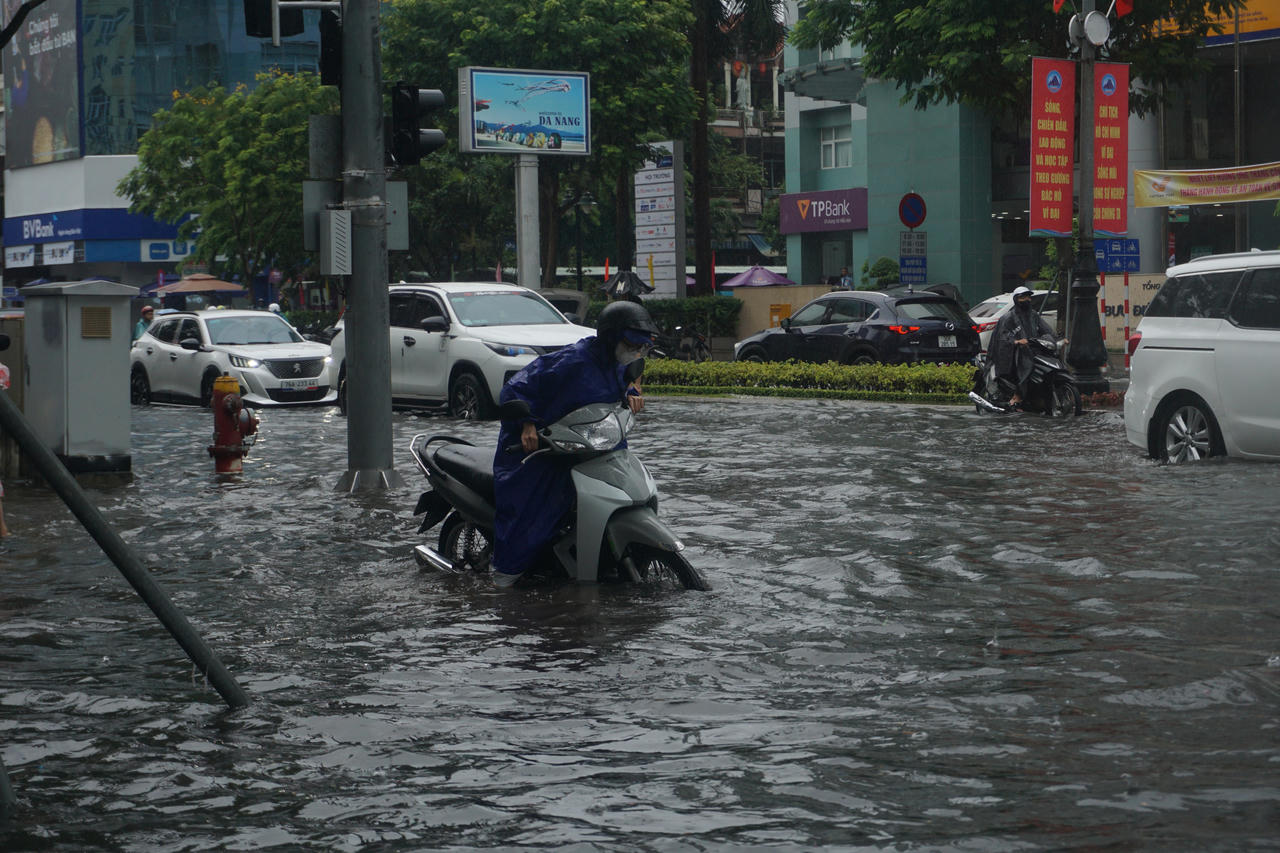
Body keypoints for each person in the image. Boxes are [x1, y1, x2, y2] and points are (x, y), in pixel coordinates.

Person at [490, 301, 657, 588]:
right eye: (632, 344)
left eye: (641, 347)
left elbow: (626, 381)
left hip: (587, 446)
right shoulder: (571, 361)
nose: (636, 351)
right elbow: (516, 387)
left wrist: (632, 391)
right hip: (539, 450)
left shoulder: (616, 364)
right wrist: (527, 424)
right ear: (611, 338)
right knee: (529, 515)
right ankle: (504, 577)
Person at [989, 285, 1055, 410]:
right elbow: (1003, 337)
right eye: (1023, 297)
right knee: (1025, 365)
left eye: (1028, 297)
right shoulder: (1008, 318)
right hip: (1014, 353)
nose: (1027, 300)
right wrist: (1016, 341)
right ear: (1016, 299)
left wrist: (1055, 339)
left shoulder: (1033, 315)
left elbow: (1046, 330)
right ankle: (1017, 395)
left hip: (1032, 350)